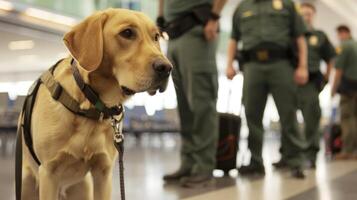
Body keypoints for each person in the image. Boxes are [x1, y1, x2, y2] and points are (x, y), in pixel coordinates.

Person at [226, 0, 308, 178]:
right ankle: (255, 162)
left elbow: (300, 37)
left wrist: (303, 66)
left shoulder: (286, 5)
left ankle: (295, 161)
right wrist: (229, 64)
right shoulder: (242, 8)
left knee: (288, 113)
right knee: (252, 115)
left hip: (281, 64)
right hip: (252, 65)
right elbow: (234, 38)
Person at [157, 0, 227, 187]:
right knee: (185, 106)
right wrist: (160, 16)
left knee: (202, 102)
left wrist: (214, 17)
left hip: (198, 30)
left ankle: (204, 166)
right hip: (174, 34)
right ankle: (188, 163)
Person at [274, 2, 336, 169]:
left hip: (310, 83)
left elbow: (331, 57)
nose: (306, 16)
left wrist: (326, 78)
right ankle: (288, 155)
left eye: (309, 14)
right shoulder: (289, 36)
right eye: (303, 14)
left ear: (313, 16)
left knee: (311, 121)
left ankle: (311, 155)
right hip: (289, 83)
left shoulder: (320, 36)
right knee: (287, 120)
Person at [331, 25, 357, 160]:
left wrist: (333, 89)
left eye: (339, 34)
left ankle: (348, 150)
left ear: (343, 33)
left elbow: (338, 70)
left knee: (347, 118)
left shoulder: (344, 47)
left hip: (348, 87)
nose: (339, 37)